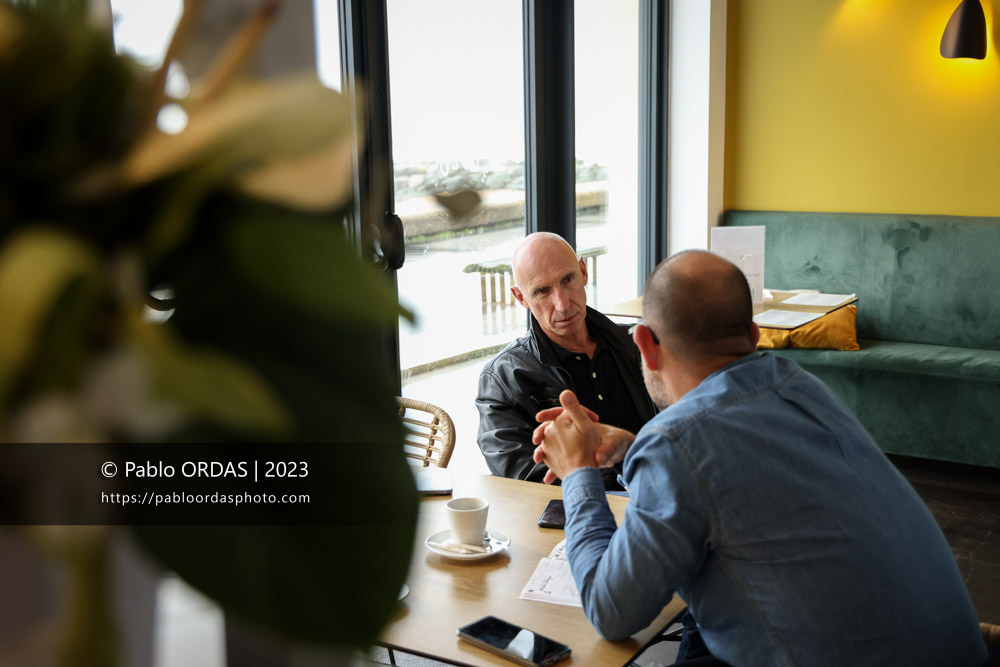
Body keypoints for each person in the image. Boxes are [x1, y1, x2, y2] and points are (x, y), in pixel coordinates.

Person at [531, 250, 987, 666]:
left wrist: (578, 473)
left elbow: (611, 612)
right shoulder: (801, 386)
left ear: (645, 344)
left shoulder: (676, 443)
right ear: (753, 335)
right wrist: (632, 449)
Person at [476, 233, 656, 491]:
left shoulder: (639, 344)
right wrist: (630, 466)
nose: (562, 304)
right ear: (521, 297)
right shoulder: (503, 379)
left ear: (583, 272)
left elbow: (686, 431)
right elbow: (522, 479)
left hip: (660, 500)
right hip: (569, 511)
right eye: (542, 291)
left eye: (567, 280)